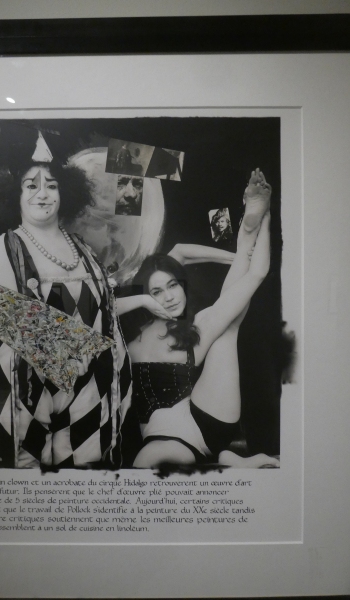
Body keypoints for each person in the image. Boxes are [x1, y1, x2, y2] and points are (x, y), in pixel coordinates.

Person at [0, 150, 132, 469]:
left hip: (89, 387)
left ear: (65, 193)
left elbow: (102, 311)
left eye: (52, 185)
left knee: (83, 472)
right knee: (31, 477)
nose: (43, 194)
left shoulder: (83, 248)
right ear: (16, 195)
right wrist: (76, 354)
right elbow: (7, 318)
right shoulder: (6, 246)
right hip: (28, 389)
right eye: (31, 185)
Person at [117, 169, 279, 468]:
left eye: (173, 286)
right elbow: (102, 309)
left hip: (204, 421)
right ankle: (225, 459)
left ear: (182, 285)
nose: (169, 297)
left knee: (227, 325)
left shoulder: (197, 327)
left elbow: (257, 273)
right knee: (151, 456)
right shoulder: (131, 325)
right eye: (157, 291)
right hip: (167, 433)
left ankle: (247, 231)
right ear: (145, 294)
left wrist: (264, 217)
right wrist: (142, 299)